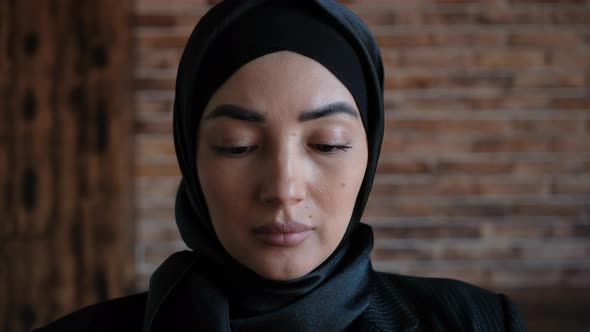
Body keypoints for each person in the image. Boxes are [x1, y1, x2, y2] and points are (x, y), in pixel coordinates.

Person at [37, 0, 527, 331]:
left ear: (369, 152)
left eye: (329, 144)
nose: (283, 188)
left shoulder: (479, 322)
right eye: (237, 145)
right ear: (192, 156)